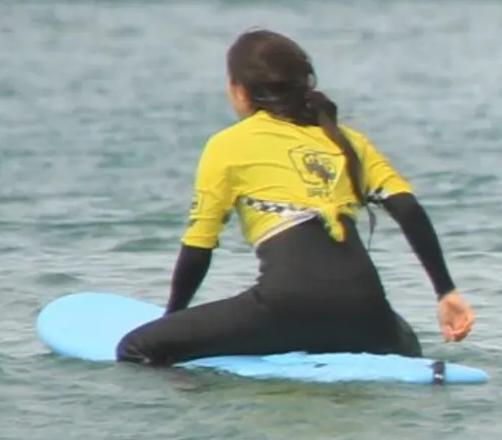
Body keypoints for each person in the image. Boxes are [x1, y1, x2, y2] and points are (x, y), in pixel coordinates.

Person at [119, 30, 471, 364]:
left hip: (284, 307)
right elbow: (407, 208)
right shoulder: (346, 140)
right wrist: (445, 292)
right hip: (366, 315)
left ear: (239, 90)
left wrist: (174, 321)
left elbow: (199, 246)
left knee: (134, 348)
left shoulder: (228, 145)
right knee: (406, 339)